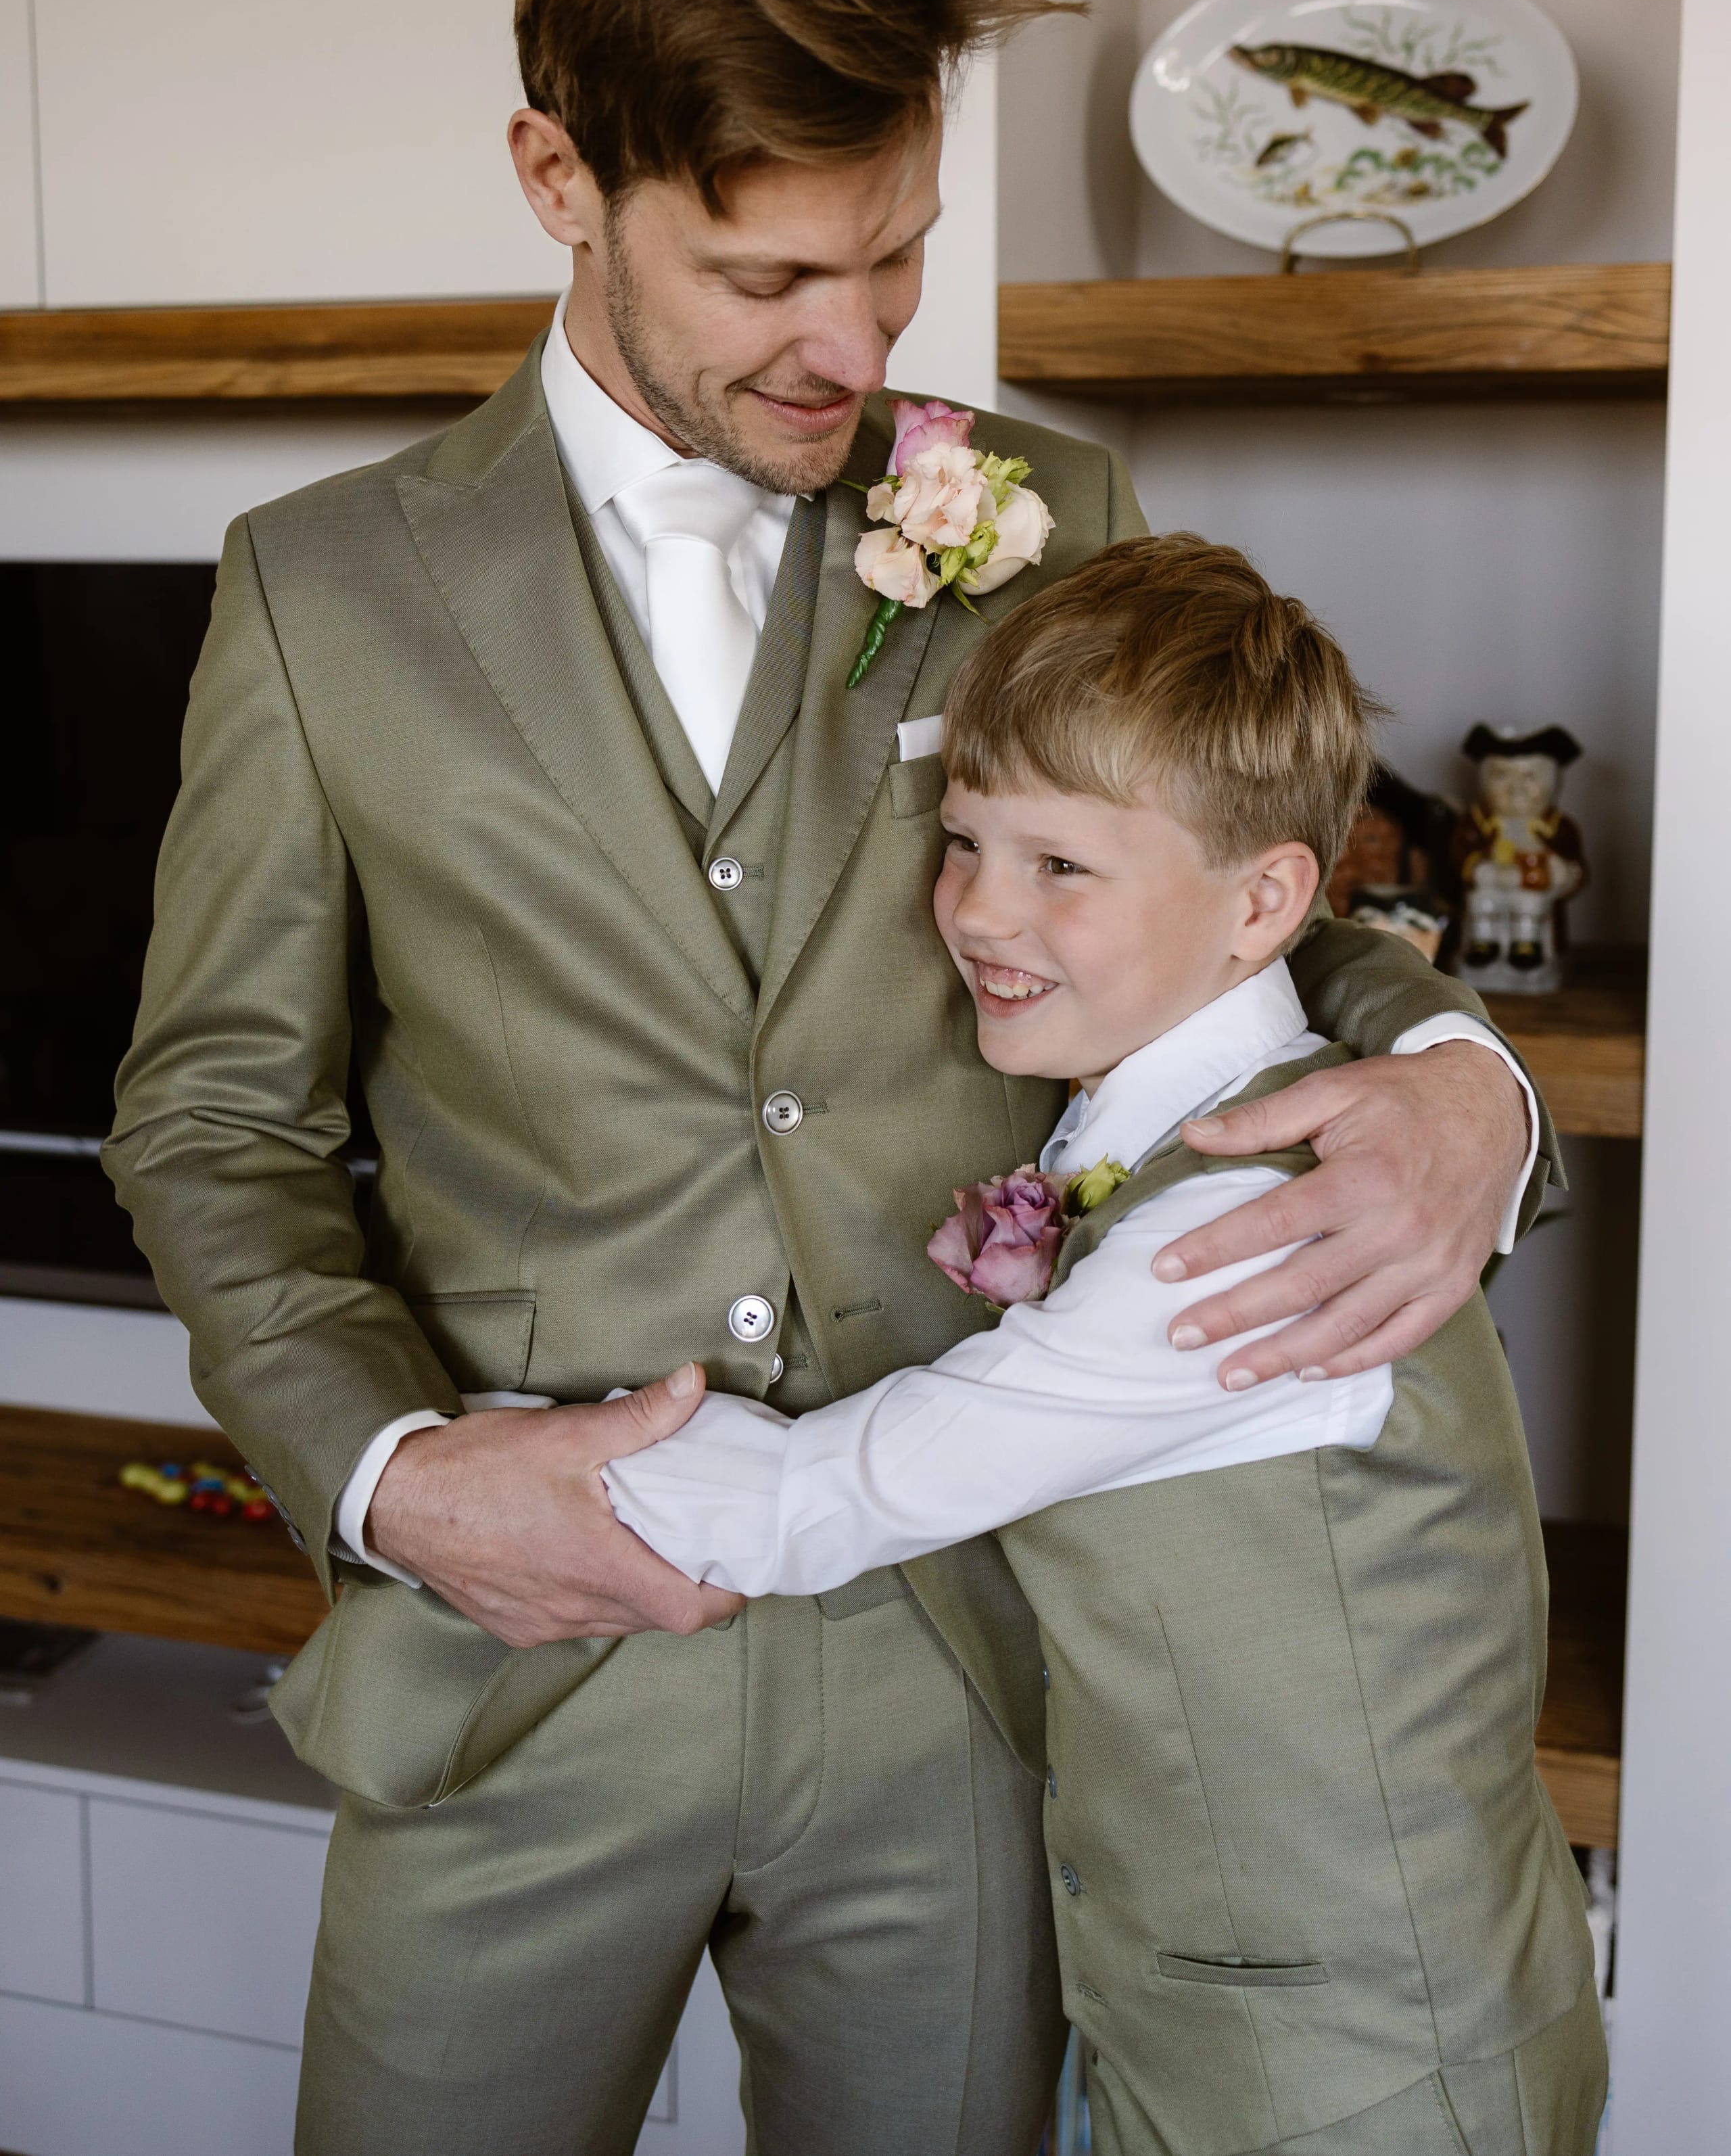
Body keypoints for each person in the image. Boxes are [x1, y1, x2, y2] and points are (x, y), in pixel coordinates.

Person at [104, 0, 1552, 2156]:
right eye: (774, 272)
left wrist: (1468, 1079)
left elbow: (1279, 909)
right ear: (559, 176)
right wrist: (387, 1473)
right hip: (516, 1671)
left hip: (971, 1673)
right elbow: (213, 1120)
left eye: (897, 260)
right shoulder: (315, 592)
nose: (857, 347)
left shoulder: (1046, 512)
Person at [607, 534, 1607, 2156]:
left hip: (1361, 2067)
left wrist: (466, 1450)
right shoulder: (1147, 1129)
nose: (979, 912)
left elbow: (808, 1501)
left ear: (1264, 899)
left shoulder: (1232, 1234)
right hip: (1209, 2014)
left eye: (1060, 868)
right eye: (962, 842)